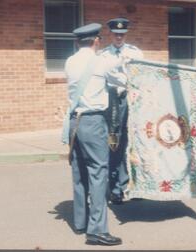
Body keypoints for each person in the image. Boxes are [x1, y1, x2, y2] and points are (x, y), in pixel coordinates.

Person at [64, 23, 126, 245]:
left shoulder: (70, 61)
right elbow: (122, 73)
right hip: (93, 121)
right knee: (99, 173)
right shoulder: (101, 61)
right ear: (96, 41)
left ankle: (81, 222)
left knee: (80, 173)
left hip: (75, 122)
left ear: (77, 42)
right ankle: (97, 230)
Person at [100, 17, 144, 204]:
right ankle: (115, 188)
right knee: (114, 141)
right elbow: (105, 73)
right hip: (112, 101)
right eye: (116, 34)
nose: (119, 37)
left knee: (133, 141)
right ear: (110, 34)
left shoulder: (135, 52)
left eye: (122, 34)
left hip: (131, 99)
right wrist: (120, 66)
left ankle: (132, 185)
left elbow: (142, 73)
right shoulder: (103, 55)